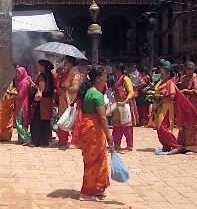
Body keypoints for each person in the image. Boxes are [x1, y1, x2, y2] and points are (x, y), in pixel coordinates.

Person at [73, 66, 114, 201]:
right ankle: (86, 192)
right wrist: (109, 137)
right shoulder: (97, 95)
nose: (106, 79)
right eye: (104, 76)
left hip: (86, 129)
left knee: (91, 159)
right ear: (97, 78)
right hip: (94, 131)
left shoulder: (85, 93)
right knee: (94, 161)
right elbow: (102, 118)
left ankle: (96, 188)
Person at [177, 61, 197, 154]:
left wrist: (186, 90)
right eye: (188, 69)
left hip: (194, 104)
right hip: (185, 104)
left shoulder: (196, 77)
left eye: (192, 68)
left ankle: (194, 148)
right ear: (185, 69)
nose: (190, 70)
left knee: (193, 125)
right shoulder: (184, 78)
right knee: (185, 124)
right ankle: (184, 145)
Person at [112, 64, 138, 151]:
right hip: (117, 104)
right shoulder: (116, 79)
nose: (113, 70)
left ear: (118, 69)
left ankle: (129, 145)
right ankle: (116, 143)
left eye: (114, 68)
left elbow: (131, 91)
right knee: (116, 126)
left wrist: (127, 99)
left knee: (127, 126)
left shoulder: (126, 79)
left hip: (124, 104)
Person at [29, 60, 55, 147]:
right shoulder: (50, 75)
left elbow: (41, 89)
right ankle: (45, 140)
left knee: (38, 120)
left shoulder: (42, 76)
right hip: (48, 101)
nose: (37, 66)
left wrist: (32, 83)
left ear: (42, 66)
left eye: (39, 65)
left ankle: (36, 141)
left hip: (42, 102)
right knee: (46, 121)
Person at [56, 56, 81, 146]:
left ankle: (70, 141)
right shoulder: (68, 72)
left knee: (68, 119)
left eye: (66, 62)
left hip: (69, 100)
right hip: (64, 99)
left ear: (71, 63)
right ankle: (63, 140)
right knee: (64, 119)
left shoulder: (74, 73)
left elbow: (75, 87)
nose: (64, 63)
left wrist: (63, 90)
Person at [14, 67, 31, 144]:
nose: (17, 75)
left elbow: (21, 95)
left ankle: (26, 138)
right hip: (23, 103)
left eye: (19, 73)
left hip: (22, 104)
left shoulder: (23, 82)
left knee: (18, 121)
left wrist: (13, 94)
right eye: (16, 73)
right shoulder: (23, 81)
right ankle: (21, 139)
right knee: (22, 121)